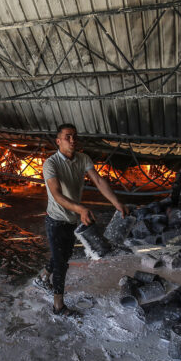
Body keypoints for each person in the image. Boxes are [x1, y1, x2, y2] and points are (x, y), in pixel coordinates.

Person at [35, 123, 129, 316]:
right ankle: (58, 307)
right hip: (55, 220)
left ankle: (43, 277)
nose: (72, 140)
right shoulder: (51, 164)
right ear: (58, 141)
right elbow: (57, 194)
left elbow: (99, 181)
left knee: (63, 253)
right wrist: (81, 209)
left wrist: (117, 203)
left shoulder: (83, 159)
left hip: (71, 219)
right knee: (61, 263)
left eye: (75, 137)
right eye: (68, 137)